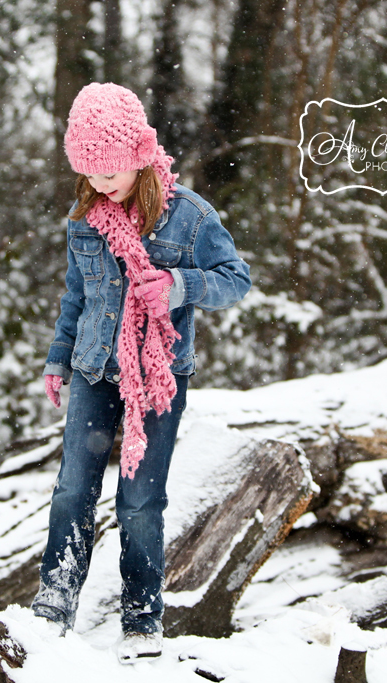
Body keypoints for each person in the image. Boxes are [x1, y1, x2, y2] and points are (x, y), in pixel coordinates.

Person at [30, 82, 252, 663]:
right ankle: (53, 605)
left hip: (157, 378)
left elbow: (237, 279)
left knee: (139, 500)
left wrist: (180, 285)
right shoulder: (85, 219)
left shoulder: (189, 218)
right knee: (73, 489)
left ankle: (141, 619)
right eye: (89, 173)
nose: (100, 185)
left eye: (110, 173)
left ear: (139, 158)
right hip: (92, 371)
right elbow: (76, 298)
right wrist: (58, 357)